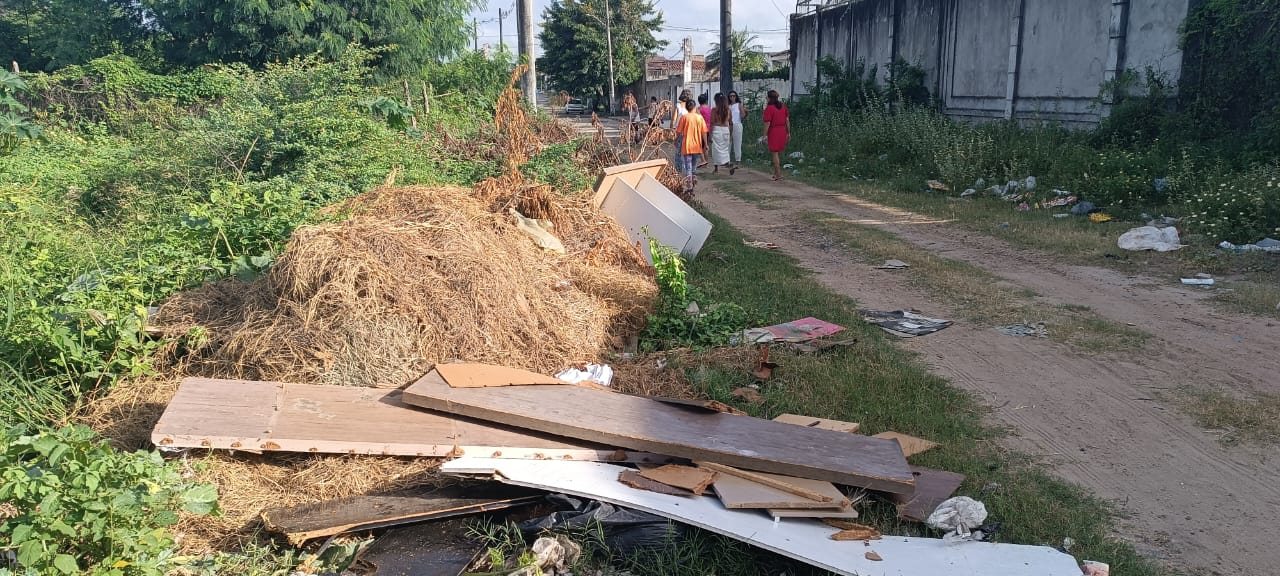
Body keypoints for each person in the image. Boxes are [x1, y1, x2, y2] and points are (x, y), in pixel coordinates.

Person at [675, 98, 707, 192]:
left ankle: (690, 186)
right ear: (694, 107)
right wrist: (705, 143)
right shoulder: (699, 118)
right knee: (693, 166)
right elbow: (704, 131)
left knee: (688, 166)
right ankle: (694, 178)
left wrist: (676, 140)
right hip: (697, 146)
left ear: (687, 107)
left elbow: (679, 131)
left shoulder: (684, 117)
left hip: (687, 146)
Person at [762, 89, 790, 181]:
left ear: (770, 98)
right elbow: (787, 120)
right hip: (782, 130)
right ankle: (776, 173)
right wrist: (788, 132)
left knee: (775, 153)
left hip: (774, 131)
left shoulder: (769, 108)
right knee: (778, 152)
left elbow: (767, 123)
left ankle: (778, 174)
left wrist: (764, 135)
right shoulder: (783, 106)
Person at [710, 93, 735, 175]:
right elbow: (731, 123)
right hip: (726, 130)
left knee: (716, 150)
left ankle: (716, 168)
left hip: (717, 130)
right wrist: (730, 134)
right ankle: (728, 163)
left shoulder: (714, 110)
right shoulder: (728, 110)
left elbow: (712, 123)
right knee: (725, 149)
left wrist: (710, 135)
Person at [727, 91, 746, 165]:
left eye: (734, 96)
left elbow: (743, 115)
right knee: (728, 143)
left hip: (737, 124)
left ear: (736, 96)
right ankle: (727, 160)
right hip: (729, 125)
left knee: (737, 143)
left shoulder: (739, 105)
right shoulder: (728, 106)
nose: (732, 97)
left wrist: (744, 113)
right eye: (731, 96)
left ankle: (738, 159)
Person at [697, 94, 712, 167]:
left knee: (699, 146)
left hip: (700, 129)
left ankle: (703, 161)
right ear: (706, 100)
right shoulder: (709, 109)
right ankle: (706, 162)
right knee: (706, 146)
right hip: (708, 129)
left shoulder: (698, 109)